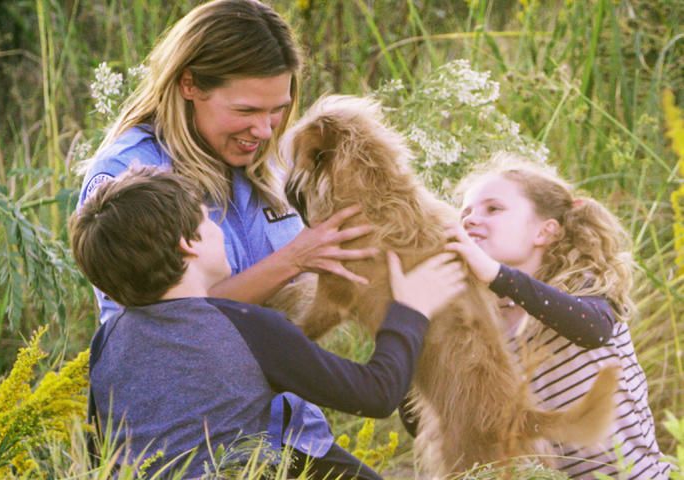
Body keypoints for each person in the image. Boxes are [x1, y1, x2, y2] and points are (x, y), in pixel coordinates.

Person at [75, 0, 376, 464]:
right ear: (189, 83)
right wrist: (292, 260)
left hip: (292, 429)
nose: (264, 129)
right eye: (247, 110)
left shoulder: (268, 155)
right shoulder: (129, 176)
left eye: (278, 109)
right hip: (196, 449)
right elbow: (159, 330)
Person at [70, 167, 468, 479]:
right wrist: (410, 310)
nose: (216, 229)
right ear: (188, 243)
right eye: (208, 219)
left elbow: (101, 454)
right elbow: (377, 394)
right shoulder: (245, 327)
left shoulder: (108, 340)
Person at [444, 154, 671, 479]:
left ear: (545, 232)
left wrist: (496, 275)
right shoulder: (482, 322)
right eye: (465, 213)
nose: (469, 220)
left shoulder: (584, 285)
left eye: (493, 209)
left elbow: (592, 329)